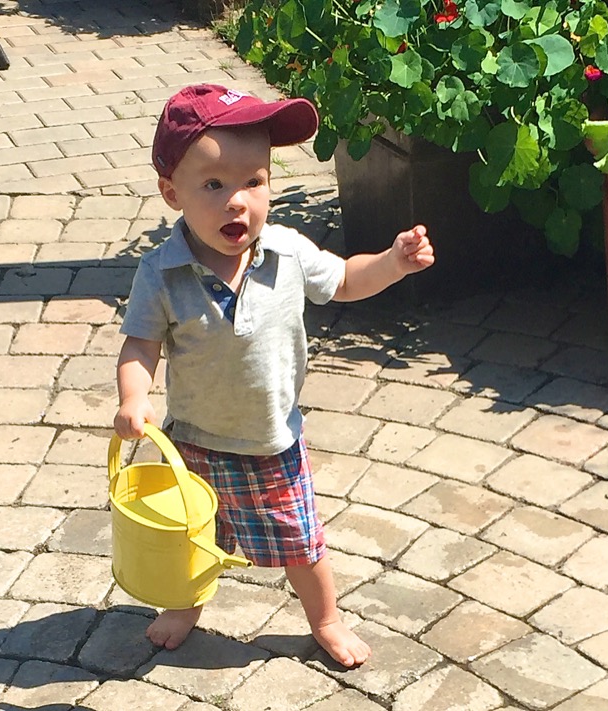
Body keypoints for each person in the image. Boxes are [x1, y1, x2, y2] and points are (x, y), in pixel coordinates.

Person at [113, 84, 434, 668]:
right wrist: (134, 397)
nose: (238, 202)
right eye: (213, 185)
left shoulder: (285, 250)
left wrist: (391, 263)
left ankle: (326, 619)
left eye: (254, 182)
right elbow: (139, 345)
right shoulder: (161, 273)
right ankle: (186, 605)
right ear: (171, 192)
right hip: (193, 441)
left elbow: (343, 280)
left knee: (302, 544)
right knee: (194, 537)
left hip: (272, 441)